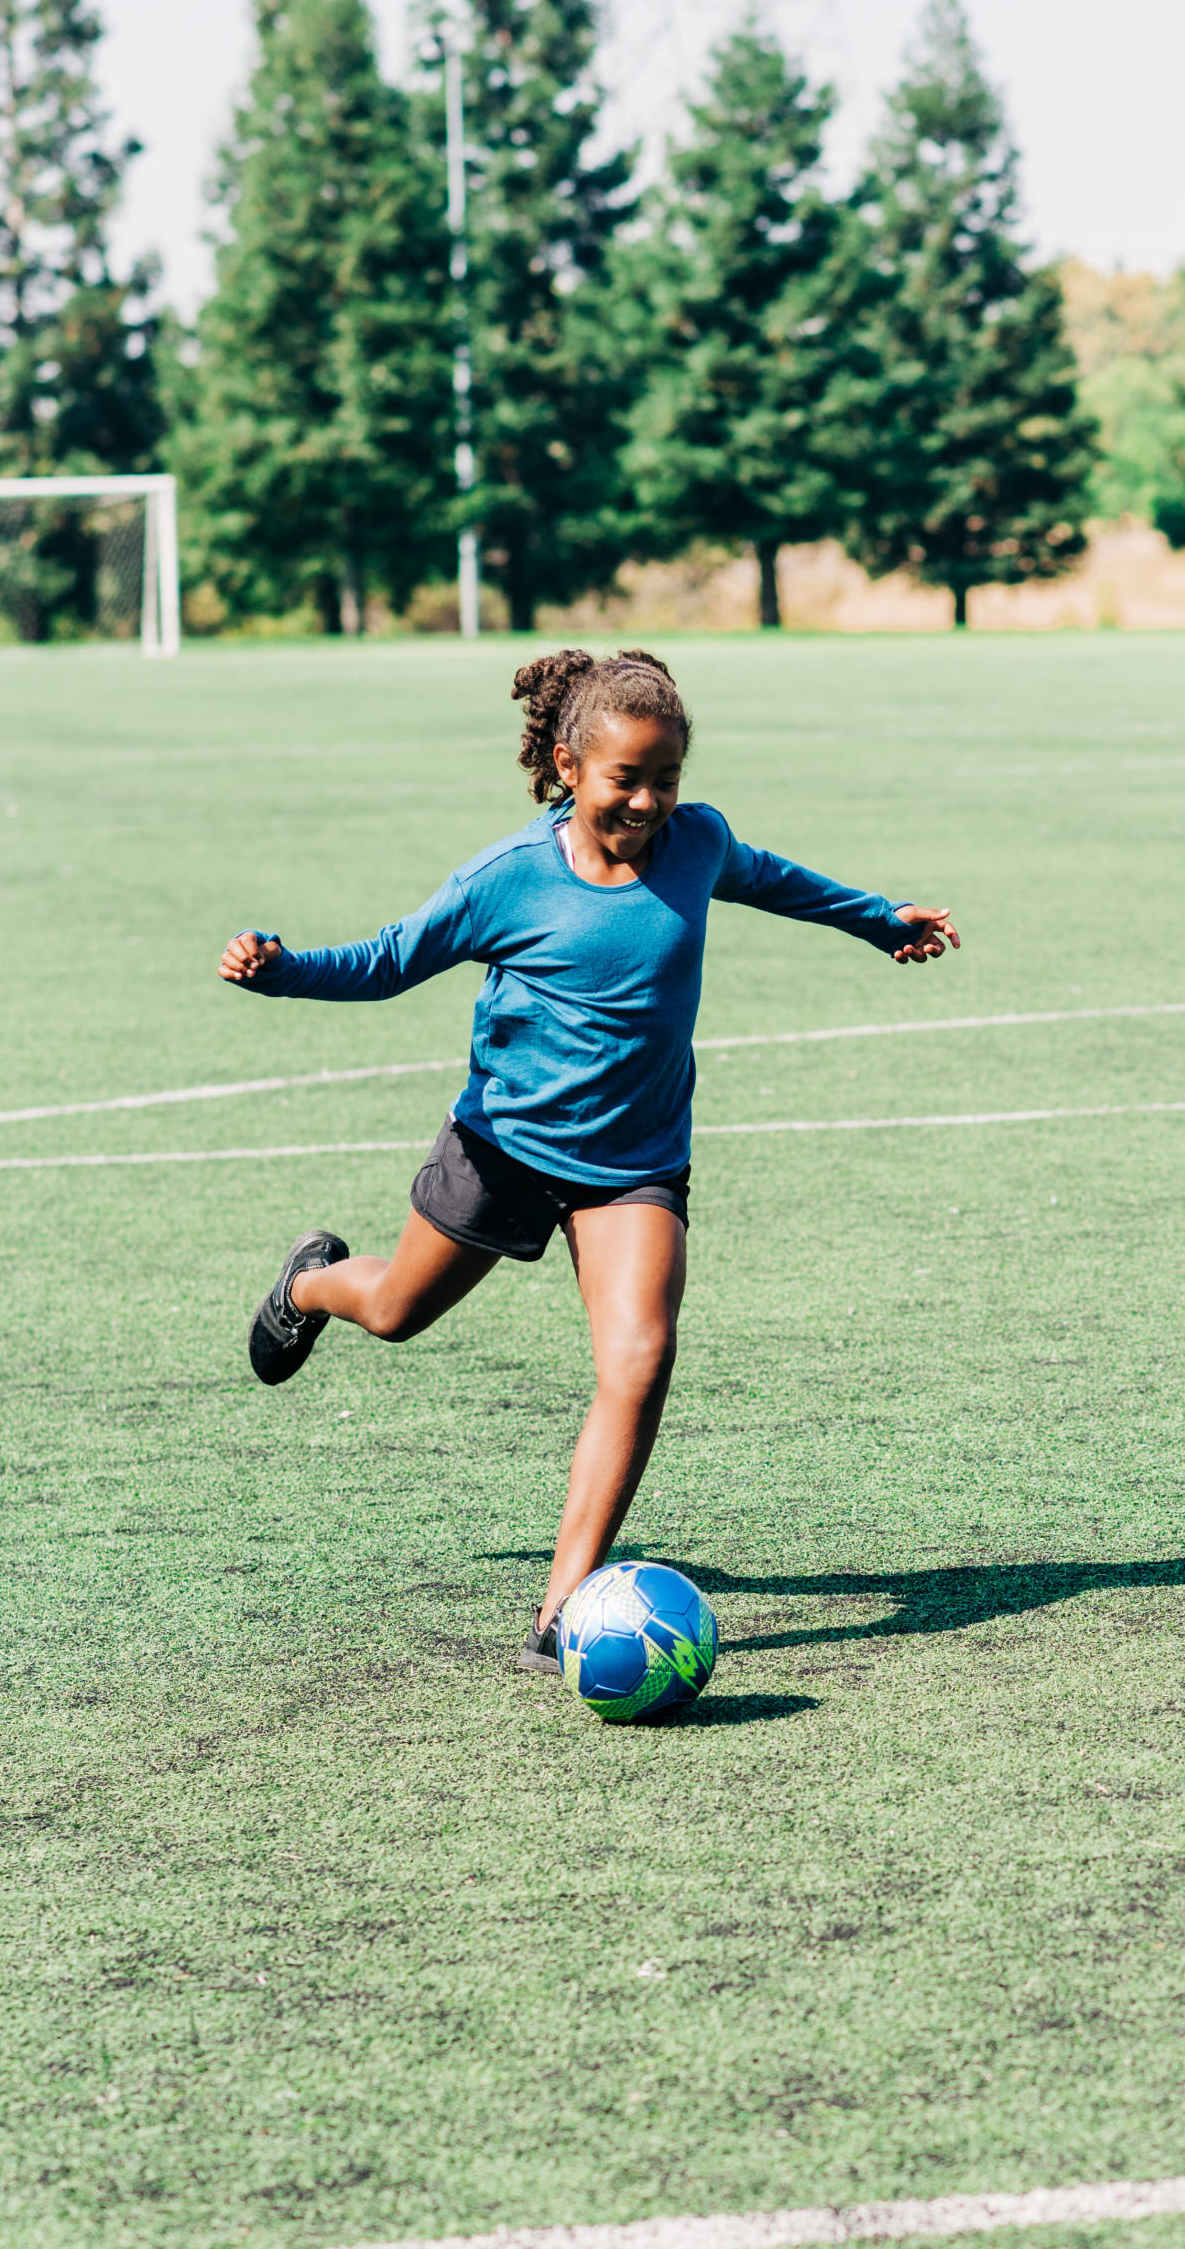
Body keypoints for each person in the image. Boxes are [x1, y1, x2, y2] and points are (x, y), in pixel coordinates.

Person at [218, 647, 958, 1673]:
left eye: (668, 778)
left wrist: (879, 920)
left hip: (635, 1163)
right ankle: (310, 1280)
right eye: (627, 778)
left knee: (639, 1359)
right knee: (394, 1311)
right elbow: (389, 962)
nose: (650, 800)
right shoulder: (507, 879)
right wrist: (284, 970)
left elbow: (773, 879)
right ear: (570, 765)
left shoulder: (698, 844)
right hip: (503, 1147)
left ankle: (562, 1605)